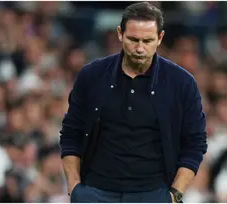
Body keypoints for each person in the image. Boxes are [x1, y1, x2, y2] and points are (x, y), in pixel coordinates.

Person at [59, 2, 208, 203]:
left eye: (147, 40)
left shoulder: (182, 83)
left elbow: (195, 143)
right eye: (133, 39)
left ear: (160, 38)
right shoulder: (92, 75)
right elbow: (71, 132)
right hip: (94, 192)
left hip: (154, 194)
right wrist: (75, 188)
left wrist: (174, 195)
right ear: (120, 34)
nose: (139, 48)